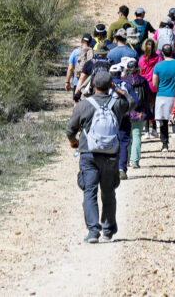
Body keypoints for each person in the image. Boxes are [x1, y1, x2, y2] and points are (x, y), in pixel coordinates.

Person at [66, 69, 132, 243]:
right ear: (110, 85)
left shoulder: (84, 105)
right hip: (111, 154)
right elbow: (133, 103)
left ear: (93, 84)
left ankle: (93, 230)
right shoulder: (117, 104)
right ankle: (108, 229)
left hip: (89, 153)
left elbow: (70, 129)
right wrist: (118, 90)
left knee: (90, 191)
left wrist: (74, 141)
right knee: (108, 191)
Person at [119, 58, 152, 171]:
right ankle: (135, 161)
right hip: (140, 113)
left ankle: (126, 159)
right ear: (138, 69)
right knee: (137, 136)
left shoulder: (124, 81)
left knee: (127, 137)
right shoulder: (143, 80)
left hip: (127, 112)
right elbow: (148, 96)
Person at [150, 44, 175, 151]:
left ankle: (165, 144)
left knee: (163, 121)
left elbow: (155, 83)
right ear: (173, 51)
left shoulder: (158, 66)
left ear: (162, 53)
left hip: (162, 96)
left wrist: (158, 89)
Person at [66, 35, 95, 99]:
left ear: (81, 41)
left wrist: (67, 82)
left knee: (76, 102)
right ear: (90, 43)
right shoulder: (93, 53)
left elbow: (70, 68)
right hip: (88, 83)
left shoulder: (75, 52)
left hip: (77, 82)